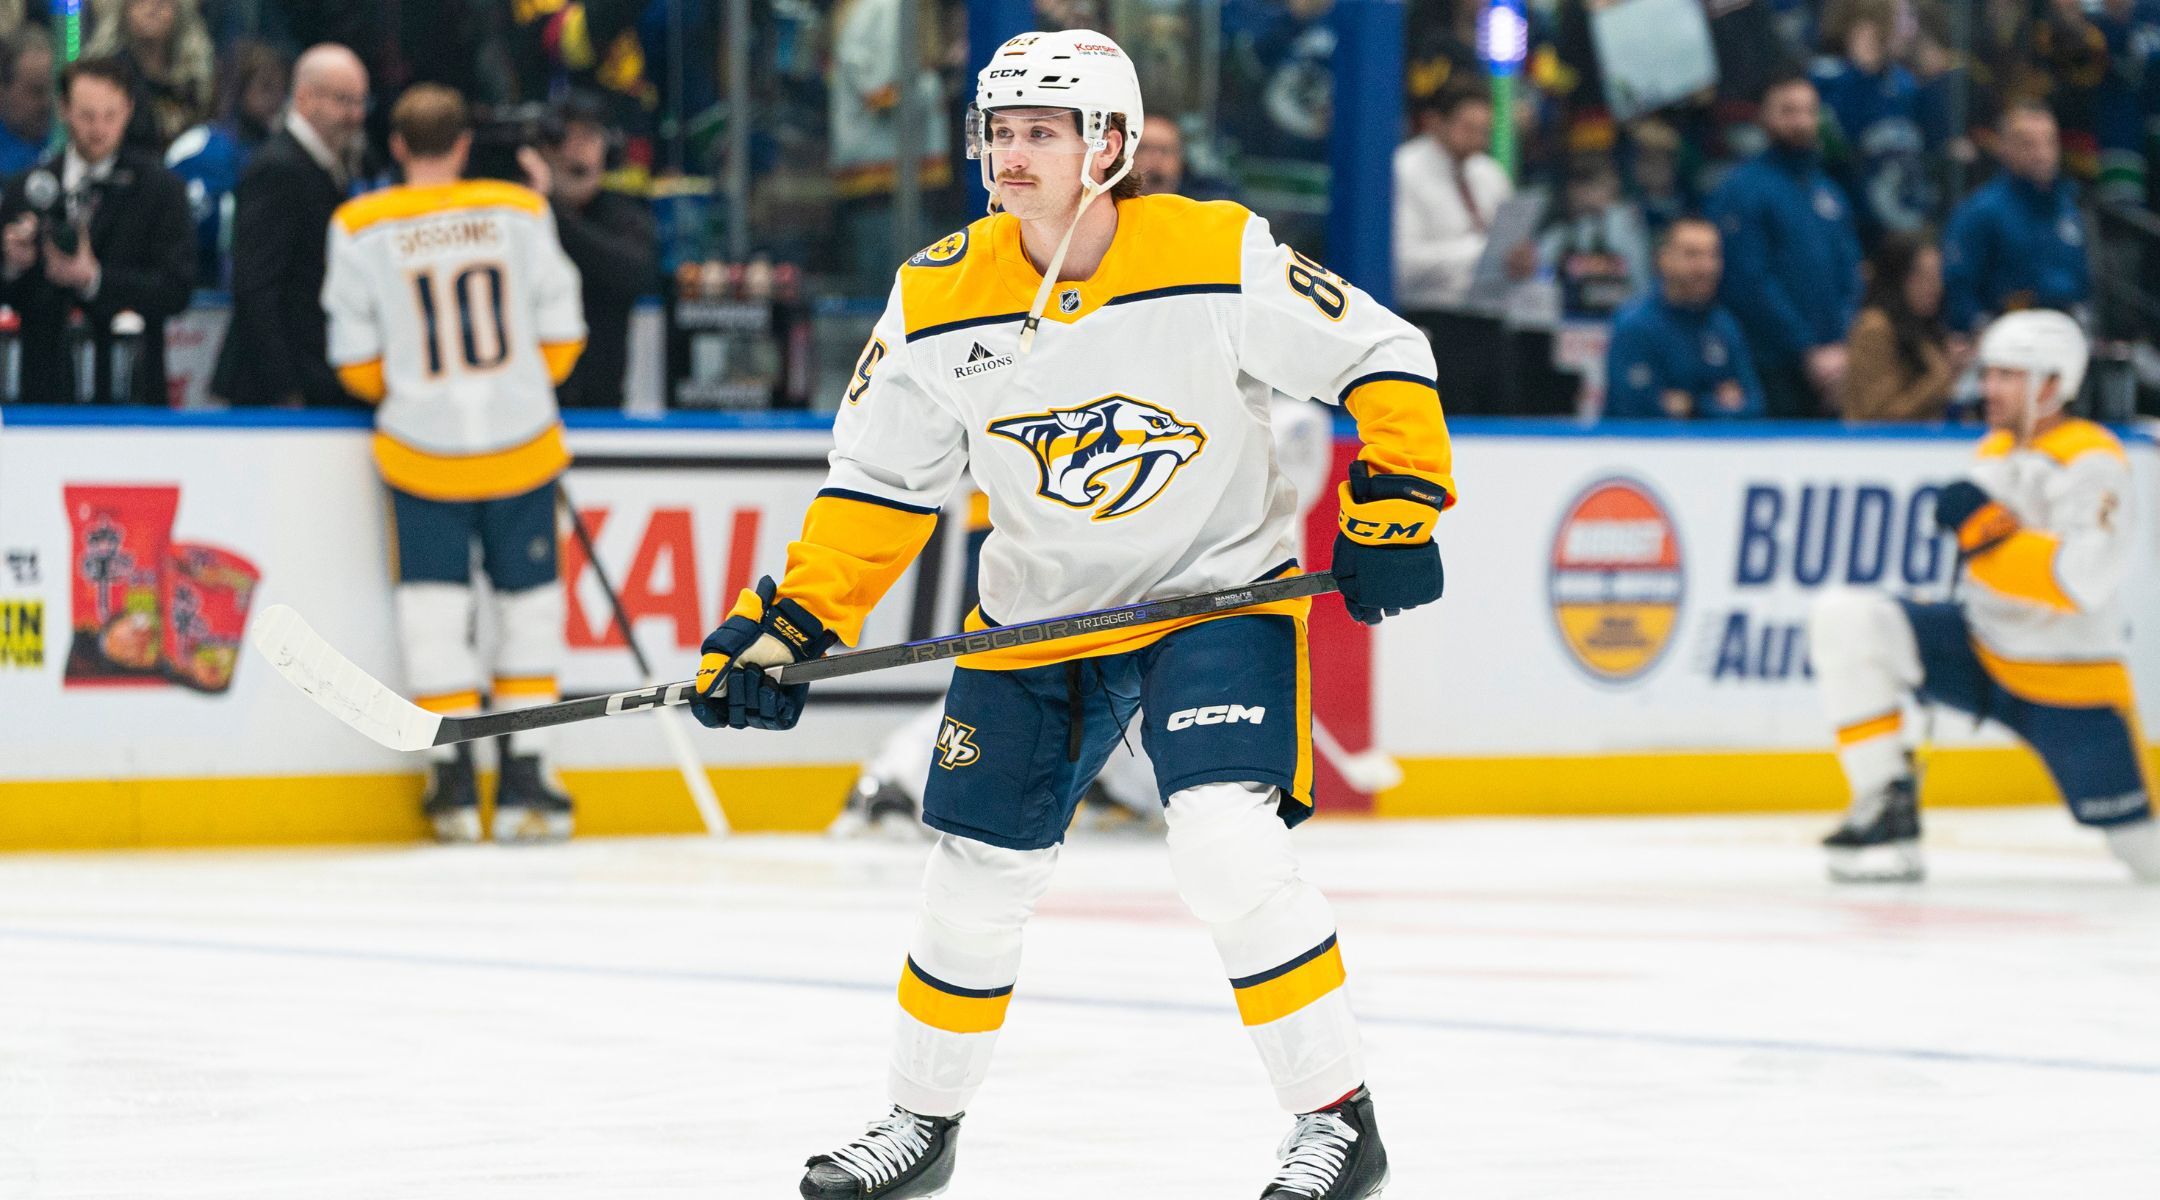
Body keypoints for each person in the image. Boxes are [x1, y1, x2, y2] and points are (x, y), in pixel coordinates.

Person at [689, 29, 1447, 1200]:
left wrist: (1395, 498)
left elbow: (1384, 354)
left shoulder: (1213, 250)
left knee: (1224, 844)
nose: (1012, 152)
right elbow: (881, 485)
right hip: (1040, 620)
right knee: (974, 873)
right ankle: (920, 1122)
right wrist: (788, 622)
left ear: (1114, 143)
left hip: (1214, 598)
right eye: (999, 128)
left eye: (1043, 129)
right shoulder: (939, 288)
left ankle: (1338, 1120)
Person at [321, 84, 587, 844]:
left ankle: (452, 783)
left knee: (433, 615)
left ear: (398, 146)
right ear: (465, 143)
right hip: (523, 444)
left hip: (421, 454)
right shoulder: (519, 210)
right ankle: (528, 772)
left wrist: (425, 397)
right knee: (528, 611)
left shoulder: (359, 224)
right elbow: (564, 338)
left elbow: (356, 362)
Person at [1809, 310, 2157, 885]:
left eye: (2008, 377)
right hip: (1984, 652)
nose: (1988, 388)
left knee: (2145, 854)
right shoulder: (1995, 450)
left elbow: (2079, 581)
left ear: (2052, 384)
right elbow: (1988, 555)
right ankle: (1886, 809)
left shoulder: (2092, 459)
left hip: (2068, 680)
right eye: (1989, 374)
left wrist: (1982, 532)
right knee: (1849, 619)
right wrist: (1984, 536)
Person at [0, 56, 193, 405]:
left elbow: (177, 288)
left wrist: (95, 279)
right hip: (45, 393)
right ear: (64, 109)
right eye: (87, 115)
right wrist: (13, 264)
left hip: (131, 395)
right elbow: (10, 294)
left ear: (129, 110)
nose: (98, 128)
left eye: (111, 115)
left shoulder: (162, 191)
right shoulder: (26, 188)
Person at [211, 42, 367, 410]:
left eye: (361, 102)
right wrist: (286, 390)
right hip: (273, 391)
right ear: (305, 98)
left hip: (308, 379)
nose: (355, 115)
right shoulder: (278, 168)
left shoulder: (323, 162)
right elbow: (256, 287)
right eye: (344, 101)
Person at [1707, 71, 1864, 418]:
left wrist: (1840, 345)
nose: (1801, 121)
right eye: (1788, 111)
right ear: (1764, 117)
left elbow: (1849, 271)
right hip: (1769, 366)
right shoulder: (1743, 190)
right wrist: (1805, 349)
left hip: (1833, 368)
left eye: (1809, 111)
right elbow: (1748, 280)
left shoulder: (1828, 192)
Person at [532, 92, 656, 411]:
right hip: (529, 408)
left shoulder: (624, 215)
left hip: (600, 408)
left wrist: (551, 214)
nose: (574, 150)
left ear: (608, 149)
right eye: (564, 138)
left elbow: (634, 273)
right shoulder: (517, 219)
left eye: (587, 137)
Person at [1941, 103, 2092, 338]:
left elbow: (2081, 281)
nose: (2042, 154)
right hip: (2006, 341)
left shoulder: (2068, 207)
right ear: (2004, 148)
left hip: (2064, 337)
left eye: (2049, 142)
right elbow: (1959, 286)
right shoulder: (1981, 211)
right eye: (2028, 144)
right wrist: (1982, 332)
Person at [1603, 217, 1763, 419]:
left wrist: (1693, 406)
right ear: (1664, 259)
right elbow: (1639, 409)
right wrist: (1717, 404)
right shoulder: (1635, 326)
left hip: (1716, 449)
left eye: (1713, 255)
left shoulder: (1723, 325)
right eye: (1692, 255)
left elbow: (1754, 405)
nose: (1706, 267)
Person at [164, 39, 290, 287]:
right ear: (239, 87)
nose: (276, 99)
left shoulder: (286, 154)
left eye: (282, 89)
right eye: (266, 88)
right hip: (197, 295)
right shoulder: (197, 148)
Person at [1393, 87, 1513, 309]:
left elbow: (1510, 243)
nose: (1478, 139)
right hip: (1425, 313)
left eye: (1484, 130)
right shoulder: (1405, 169)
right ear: (1436, 122)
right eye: (1468, 128)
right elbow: (1402, 263)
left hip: (1490, 313)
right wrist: (1483, 253)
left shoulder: (1490, 173)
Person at [1842, 228, 1958, 421]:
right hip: (1877, 447)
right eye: (1922, 276)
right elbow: (1879, 416)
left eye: (1937, 276)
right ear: (1897, 277)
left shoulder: (1924, 326)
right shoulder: (1875, 328)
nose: (1935, 287)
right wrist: (1943, 377)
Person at [85, 0, 215, 155]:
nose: (151, 10)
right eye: (140, 2)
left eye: (162, 3)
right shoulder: (108, 75)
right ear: (124, 11)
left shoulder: (194, 78)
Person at [0, 25, 54, 179]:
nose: (47, 103)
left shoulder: (70, 141)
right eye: (36, 91)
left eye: (53, 91)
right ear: (2, 93)